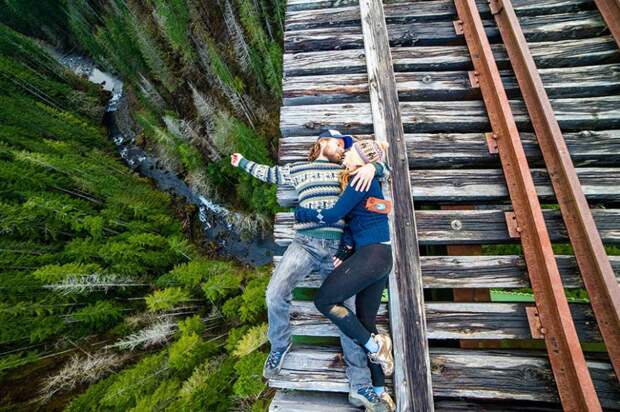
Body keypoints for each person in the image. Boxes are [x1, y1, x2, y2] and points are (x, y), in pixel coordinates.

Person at [230, 130, 391, 411]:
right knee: (274, 292)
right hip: (304, 244)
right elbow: (268, 173)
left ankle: (361, 385)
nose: (342, 149)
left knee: (347, 313)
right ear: (321, 143)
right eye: (337, 143)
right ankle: (280, 345)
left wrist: (373, 165)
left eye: (345, 146)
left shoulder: (347, 172)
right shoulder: (298, 168)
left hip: (339, 251)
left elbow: (380, 164)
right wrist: (242, 162)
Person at [294, 139, 395, 411]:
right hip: (380, 257)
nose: (345, 155)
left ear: (360, 159)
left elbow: (333, 214)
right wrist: (346, 247)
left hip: (372, 255)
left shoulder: (359, 180)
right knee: (365, 322)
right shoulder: (363, 177)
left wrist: (302, 213)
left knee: (324, 301)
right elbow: (355, 220)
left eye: (348, 152)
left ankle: (375, 347)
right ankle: (379, 390)